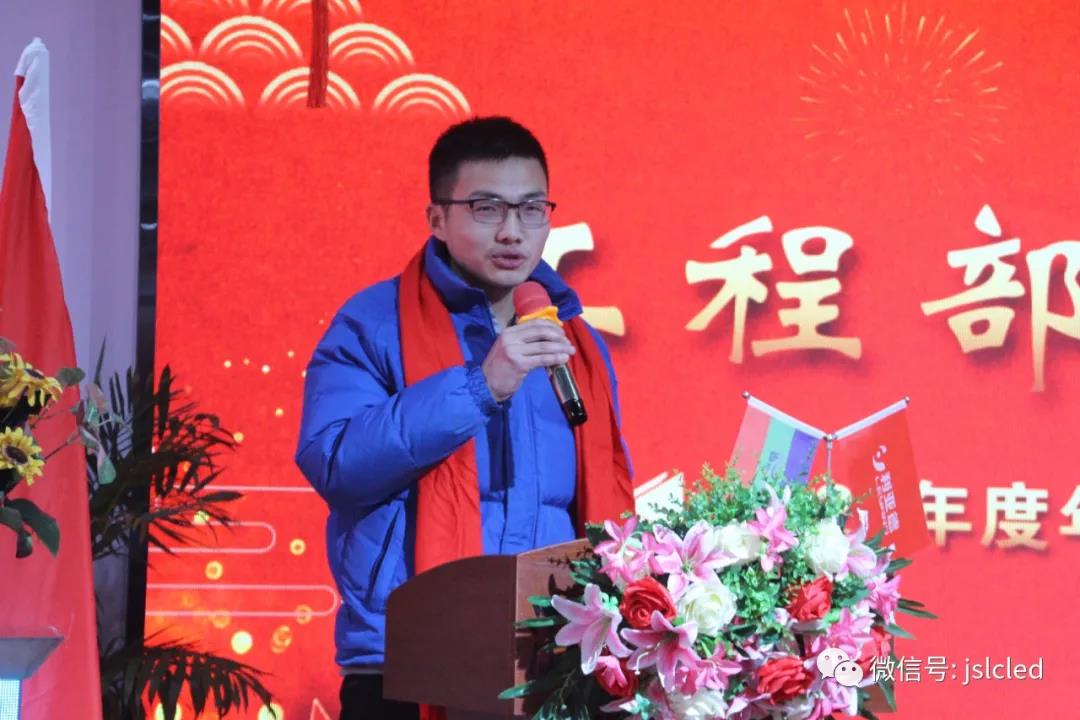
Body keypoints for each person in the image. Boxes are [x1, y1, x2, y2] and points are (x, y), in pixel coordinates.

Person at [295, 116, 633, 720]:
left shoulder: (573, 340)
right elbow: (335, 463)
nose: (512, 231)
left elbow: (601, 497)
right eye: (487, 208)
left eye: (532, 209)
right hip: (407, 661)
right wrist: (482, 386)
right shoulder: (373, 323)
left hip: (550, 661)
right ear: (437, 219)